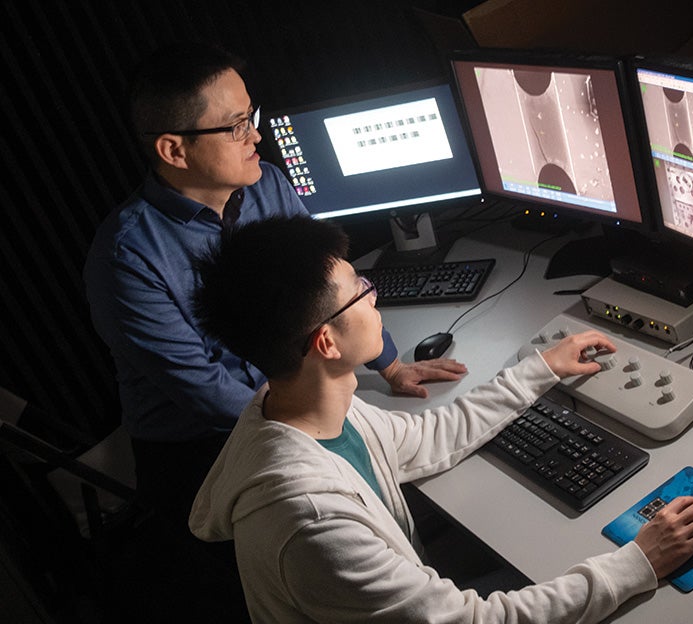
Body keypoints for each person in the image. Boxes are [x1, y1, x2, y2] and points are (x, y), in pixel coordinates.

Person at [188, 215, 693, 624]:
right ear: (326, 342)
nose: (376, 297)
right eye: (360, 291)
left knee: (539, 577)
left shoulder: (294, 405)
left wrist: (536, 373)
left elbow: (423, 437)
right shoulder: (309, 523)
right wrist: (640, 562)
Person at [83, 42, 465, 525]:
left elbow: (332, 288)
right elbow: (205, 390)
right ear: (173, 149)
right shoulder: (127, 259)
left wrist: (390, 367)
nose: (256, 136)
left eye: (252, 116)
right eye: (236, 126)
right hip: (204, 446)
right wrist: (324, 431)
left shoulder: (268, 185)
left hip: (295, 400)